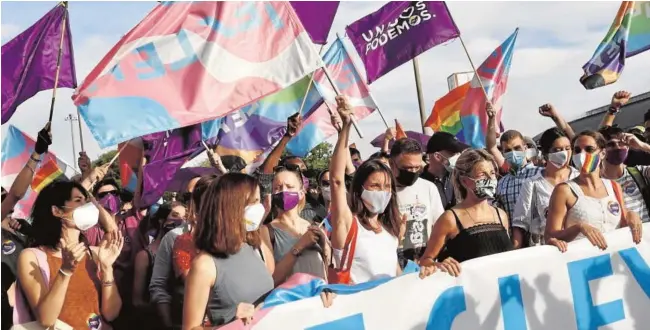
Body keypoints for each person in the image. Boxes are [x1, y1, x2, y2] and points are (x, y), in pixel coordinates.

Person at [15, 180, 123, 329]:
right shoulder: (31, 257)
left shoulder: (95, 253)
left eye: (87, 201)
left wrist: (107, 269)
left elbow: (111, 314)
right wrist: (65, 271)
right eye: (78, 200)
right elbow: (46, 319)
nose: (87, 206)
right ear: (57, 211)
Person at [182, 173, 274, 328]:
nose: (260, 208)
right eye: (254, 202)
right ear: (231, 206)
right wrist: (232, 324)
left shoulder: (252, 247)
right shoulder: (205, 265)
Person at [328, 96, 402, 284]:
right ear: (360, 189)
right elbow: (336, 180)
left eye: (386, 187)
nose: (382, 192)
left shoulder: (389, 231)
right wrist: (346, 127)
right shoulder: (348, 224)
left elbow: (397, 276)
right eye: (375, 186)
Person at [419, 149, 513, 278]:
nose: (490, 179)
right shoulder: (450, 219)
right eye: (482, 175)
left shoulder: (501, 215)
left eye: (492, 173)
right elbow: (426, 260)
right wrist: (440, 265)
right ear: (464, 181)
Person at [545, 131, 643, 252]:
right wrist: (579, 228)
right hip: (583, 262)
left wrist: (631, 215)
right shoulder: (564, 190)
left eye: (589, 149)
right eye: (577, 150)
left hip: (615, 258)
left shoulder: (613, 186)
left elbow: (622, 223)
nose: (582, 154)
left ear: (602, 153)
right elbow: (550, 236)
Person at [149, 175, 215, 330]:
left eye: (203, 193)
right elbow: (158, 285)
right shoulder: (174, 238)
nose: (194, 201)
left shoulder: (233, 238)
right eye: (189, 196)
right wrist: (169, 324)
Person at [260, 166, 329, 285]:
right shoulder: (267, 231)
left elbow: (326, 271)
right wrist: (299, 246)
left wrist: (324, 245)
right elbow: (271, 281)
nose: (283, 191)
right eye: (277, 188)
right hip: (292, 301)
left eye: (290, 187)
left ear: (301, 193)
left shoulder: (314, 226)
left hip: (318, 299)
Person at [512, 127, 579, 248]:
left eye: (567, 148)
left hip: (581, 245)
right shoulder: (533, 184)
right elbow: (520, 224)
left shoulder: (579, 177)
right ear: (546, 153)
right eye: (557, 150)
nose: (564, 153)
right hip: (549, 249)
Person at [390, 138, 444, 266]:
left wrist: (430, 256)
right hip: (394, 261)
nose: (413, 172)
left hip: (424, 260)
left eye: (417, 168)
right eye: (408, 168)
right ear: (392, 164)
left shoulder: (428, 187)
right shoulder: (385, 190)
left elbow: (439, 227)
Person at [486, 103, 544, 222]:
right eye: (508, 150)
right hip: (513, 238)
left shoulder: (541, 174)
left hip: (540, 237)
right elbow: (491, 145)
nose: (513, 153)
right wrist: (491, 119)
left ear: (524, 147)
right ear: (502, 153)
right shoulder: (501, 184)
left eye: (517, 148)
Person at [132, 202, 185, 329]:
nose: (180, 221)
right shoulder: (145, 256)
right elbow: (137, 301)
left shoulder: (186, 253)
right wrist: (163, 310)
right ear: (162, 220)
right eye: (175, 215)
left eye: (184, 217)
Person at [599, 126, 650, 223]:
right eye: (611, 144)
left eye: (621, 143)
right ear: (601, 151)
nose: (617, 147)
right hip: (619, 237)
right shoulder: (595, 182)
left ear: (628, 147)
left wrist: (642, 146)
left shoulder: (639, 172)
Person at [421, 132, 469, 210]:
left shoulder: (459, 178)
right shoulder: (421, 184)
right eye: (453, 153)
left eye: (459, 153)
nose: (458, 156)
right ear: (438, 156)